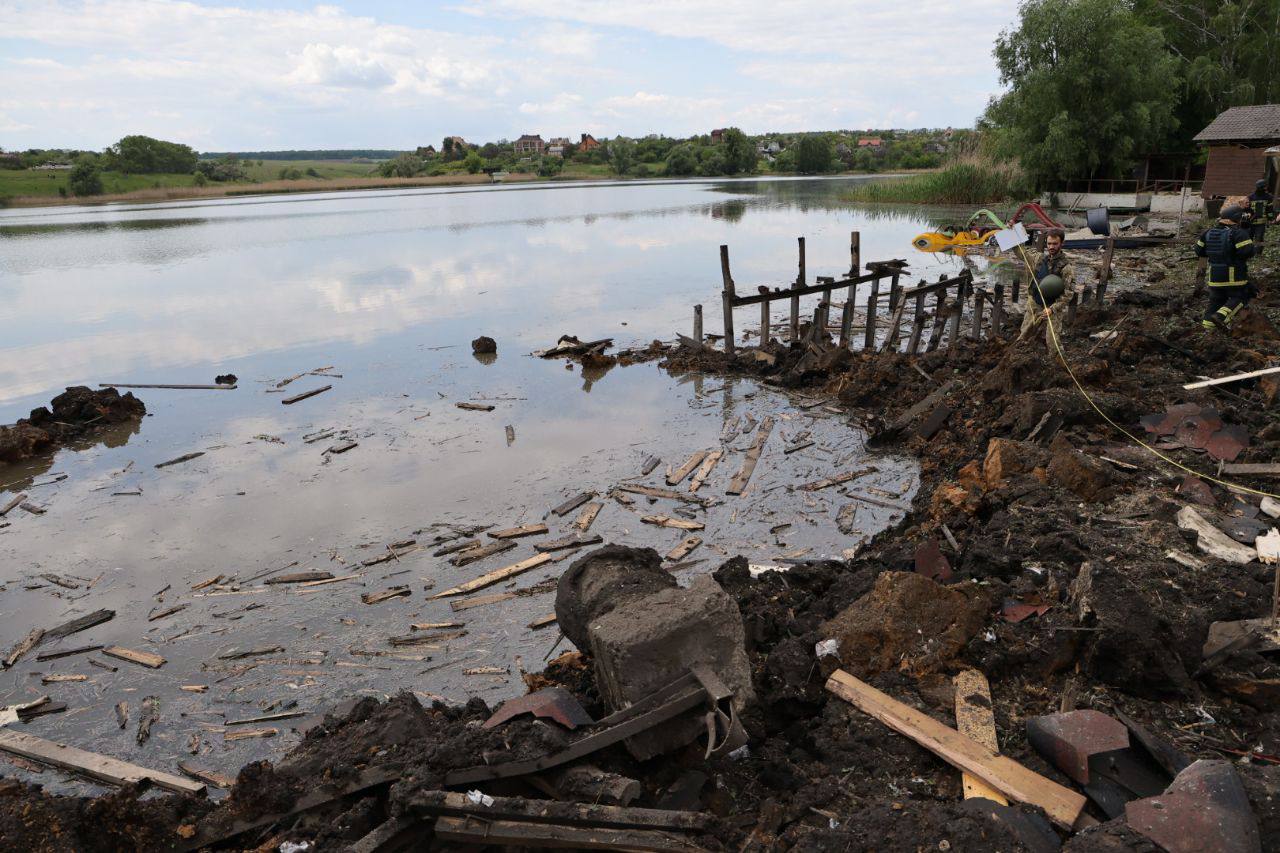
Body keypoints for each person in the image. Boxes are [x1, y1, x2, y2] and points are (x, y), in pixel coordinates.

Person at [1194, 205, 1256, 331]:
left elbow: (1199, 251)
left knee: (1216, 302)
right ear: (1236, 218)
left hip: (1215, 278)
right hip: (1234, 276)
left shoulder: (1207, 233)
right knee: (1241, 297)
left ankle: (1207, 331)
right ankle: (1220, 317)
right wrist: (1247, 231)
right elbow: (1247, 252)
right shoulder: (1238, 233)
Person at [1018, 228, 1073, 341]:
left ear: (1062, 243)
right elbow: (1021, 252)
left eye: (1055, 244)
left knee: (1052, 340)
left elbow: (1068, 294)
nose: (1051, 247)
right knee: (1024, 335)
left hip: (1052, 307)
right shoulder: (1039, 258)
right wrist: (1012, 231)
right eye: (1049, 243)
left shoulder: (1066, 267)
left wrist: (1052, 309)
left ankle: (1054, 357)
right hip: (1035, 303)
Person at [1247, 179, 1275, 244]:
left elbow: (1270, 209)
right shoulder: (1250, 197)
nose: (1266, 188)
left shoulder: (1268, 197)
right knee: (1248, 238)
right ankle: (1249, 252)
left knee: (1259, 238)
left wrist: (1270, 219)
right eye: (1265, 187)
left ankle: (1258, 253)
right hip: (1251, 222)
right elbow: (1247, 209)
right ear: (1261, 187)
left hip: (1261, 223)